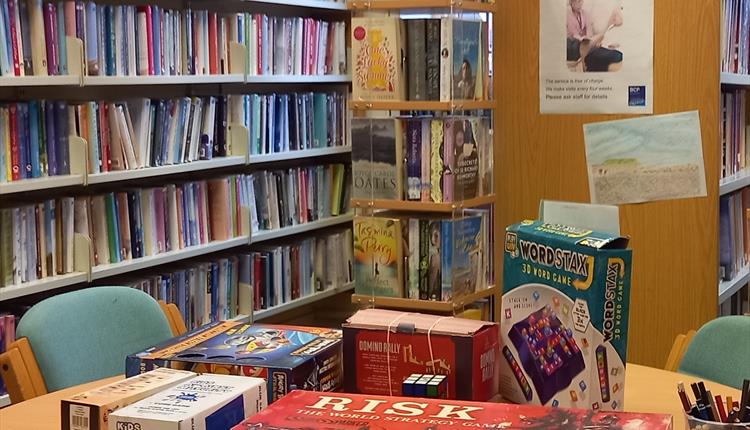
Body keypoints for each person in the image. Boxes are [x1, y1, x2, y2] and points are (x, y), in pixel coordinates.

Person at [566, 0, 623, 72]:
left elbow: (589, 30)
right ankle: (590, 57)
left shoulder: (585, 14)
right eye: (577, 2)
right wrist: (584, 40)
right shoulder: (568, 15)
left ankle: (591, 63)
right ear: (571, 2)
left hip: (589, 44)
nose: (580, 4)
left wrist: (590, 39)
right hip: (575, 43)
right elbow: (573, 33)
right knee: (587, 45)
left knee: (617, 55)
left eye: (581, 2)